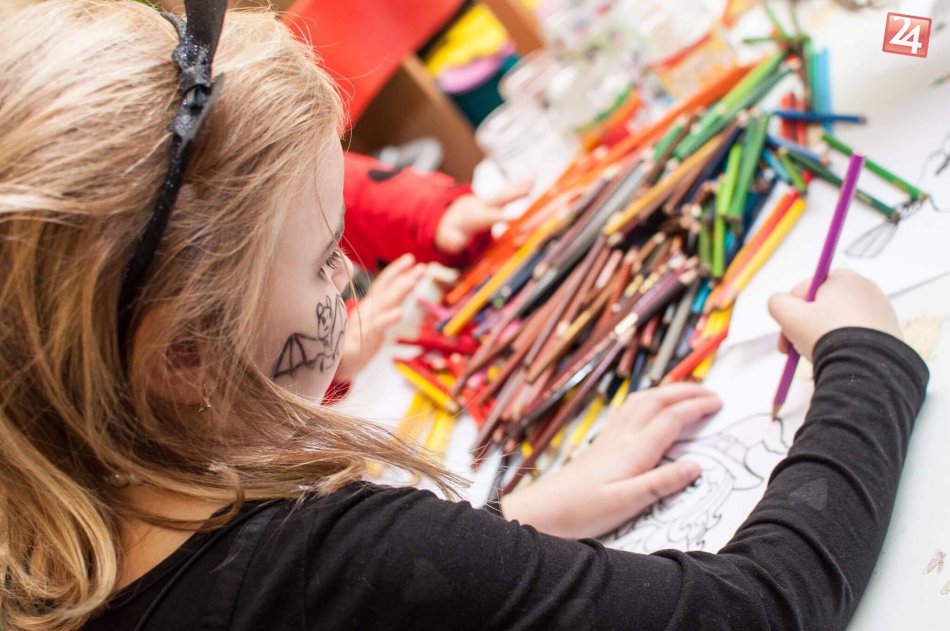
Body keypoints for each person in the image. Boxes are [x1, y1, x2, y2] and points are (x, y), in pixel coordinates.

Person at [0, 2, 928, 630]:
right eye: (326, 258)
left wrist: (513, 524)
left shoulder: (47, 564)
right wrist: (867, 360)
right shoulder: (333, 558)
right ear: (185, 353)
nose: (350, 272)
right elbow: (755, 610)